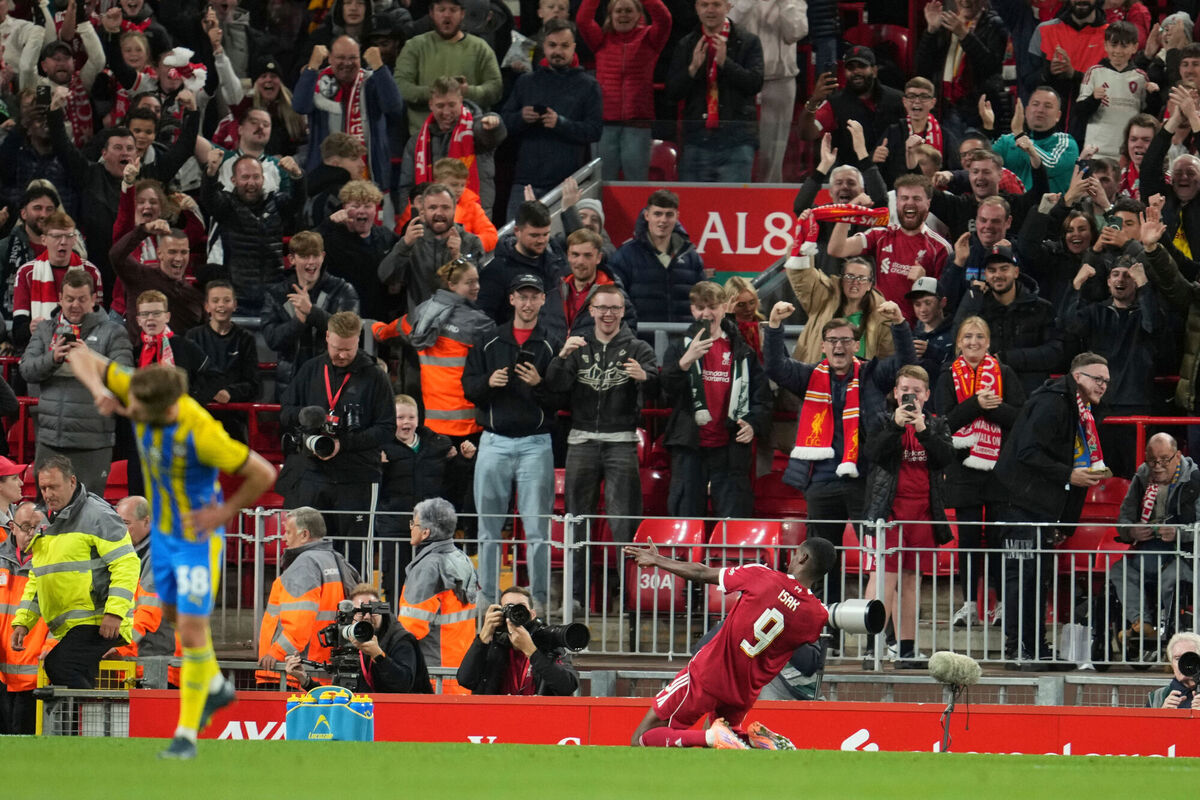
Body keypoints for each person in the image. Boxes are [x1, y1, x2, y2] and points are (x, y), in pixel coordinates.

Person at [68, 347, 276, 759]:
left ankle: (186, 735)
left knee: (193, 631)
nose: (133, 409)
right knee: (176, 616)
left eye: (139, 408)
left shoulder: (200, 431)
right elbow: (80, 354)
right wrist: (99, 390)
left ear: (165, 408)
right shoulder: (143, 388)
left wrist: (224, 512)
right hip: (163, 536)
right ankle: (215, 684)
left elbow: (263, 472)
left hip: (197, 541)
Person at [763, 300, 914, 604]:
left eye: (846, 340)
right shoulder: (809, 377)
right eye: (832, 341)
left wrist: (900, 324)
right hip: (820, 482)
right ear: (823, 347)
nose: (839, 346)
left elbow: (905, 364)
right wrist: (775, 327)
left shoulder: (871, 374)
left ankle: (881, 635)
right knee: (822, 562)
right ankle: (826, 627)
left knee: (875, 559)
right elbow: (775, 367)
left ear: (856, 345)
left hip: (864, 480)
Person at [625, 537, 836, 749]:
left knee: (643, 736)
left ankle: (710, 737)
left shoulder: (762, 575)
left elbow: (701, 573)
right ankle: (751, 740)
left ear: (804, 557)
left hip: (709, 674)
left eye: (796, 553)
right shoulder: (816, 615)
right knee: (727, 742)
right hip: (744, 691)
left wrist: (657, 560)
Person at [991, 352, 1111, 667]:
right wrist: (1068, 475)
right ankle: (1019, 649)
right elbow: (1028, 451)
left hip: (1040, 507)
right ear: (1078, 377)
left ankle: (1035, 646)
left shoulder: (1077, 408)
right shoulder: (1052, 403)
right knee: (1023, 576)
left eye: (1107, 382)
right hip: (1019, 504)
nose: (1103, 386)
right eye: (1098, 379)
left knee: (1038, 576)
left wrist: (1062, 522)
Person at [461, 273, 562, 610]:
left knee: (537, 534)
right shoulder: (488, 342)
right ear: (512, 299)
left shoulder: (551, 343)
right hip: (494, 441)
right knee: (487, 531)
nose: (529, 302)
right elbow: (469, 389)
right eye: (523, 296)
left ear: (543, 300)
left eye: (534, 296)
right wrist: (489, 381)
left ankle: (540, 603)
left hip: (536, 443)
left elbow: (562, 398)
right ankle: (486, 601)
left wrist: (538, 384)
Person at [374, 257, 492, 530]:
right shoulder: (479, 323)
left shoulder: (422, 313)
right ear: (451, 284)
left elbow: (392, 329)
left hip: (433, 424)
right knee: (468, 494)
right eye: (469, 282)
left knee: (437, 494)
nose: (476, 287)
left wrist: (377, 330)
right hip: (468, 424)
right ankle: (468, 550)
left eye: (477, 280)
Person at [10, 457, 139, 690]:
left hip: (98, 620)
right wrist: (24, 622)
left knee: (60, 666)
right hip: (72, 625)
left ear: (72, 481)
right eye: (43, 488)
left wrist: (115, 613)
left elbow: (127, 563)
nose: (47, 494)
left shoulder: (98, 515)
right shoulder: (45, 519)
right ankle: (81, 724)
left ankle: (84, 720)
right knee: (67, 671)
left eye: (54, 487)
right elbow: (39, 576)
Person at [546, 284, 658, 551]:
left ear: (623, 311)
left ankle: (623, 590)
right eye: (603, 308)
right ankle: (576, 590)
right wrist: (560, 357)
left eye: (615, 308)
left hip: (622, 442)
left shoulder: (639, 348)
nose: (608, 314)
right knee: (576, 520)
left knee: (624, 521)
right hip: (581, 442)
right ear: (592, 310)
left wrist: (647, 378)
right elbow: (554, 389)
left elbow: (660, 392)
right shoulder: (576, 348)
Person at [278, 311, 395, 557]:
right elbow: (284, 412)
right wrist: (304, 416)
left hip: (356, 477)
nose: (342, 355)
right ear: (327, 337)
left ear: (358, 340)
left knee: (354, 554)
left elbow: (386, 428)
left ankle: (353, 597)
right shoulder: (310, 369)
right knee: (303, 551)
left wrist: (344, 443)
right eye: (337, 348)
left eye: (349, 350)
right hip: (310, 474)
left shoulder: (375, 376)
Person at [863, 365, 955, 669]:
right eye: (905, 390)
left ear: (927, 395)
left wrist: (923, 431)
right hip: (889, 512)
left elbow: (945, 459)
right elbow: (873, 454)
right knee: (884, 581)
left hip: (924, 515)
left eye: (916, 391)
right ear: (895, 393)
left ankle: (906, 649)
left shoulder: (938, 424)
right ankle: (871, 648)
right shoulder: (881, 420)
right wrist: (895, 427)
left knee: (912, 581)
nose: (910, 395)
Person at [936, 316, 1025, 629]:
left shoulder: (1005, 374)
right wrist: (976, 403)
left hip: (1000, 470)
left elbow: (1019, 418)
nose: (973, 342)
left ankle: (1001, 605)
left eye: (980, 337)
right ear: (959, 342)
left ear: (989, 343)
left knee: (1000, 539)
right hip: (962, 469)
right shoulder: (948, 376)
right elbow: (945, 424)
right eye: (968, 337)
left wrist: (991, 408)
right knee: (970, 540)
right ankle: (970, 606)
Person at [660, 280, 770, 518]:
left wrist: (753, 424)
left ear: (723, 308)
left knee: (734, 519)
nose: (706, 313)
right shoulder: (679, 349)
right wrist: (684, 363)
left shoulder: (743, 351)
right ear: (692, 310)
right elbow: (665, 394)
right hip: (690, 445)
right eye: (700, 307)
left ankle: (730, 558)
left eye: (712, 306)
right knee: (685, 517)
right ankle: (680, 557)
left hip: (730, 446)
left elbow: (762, 398)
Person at [19, 269, 132, 492]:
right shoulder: (45, 330)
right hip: (50, 439)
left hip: (93, 442)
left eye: (82, 299)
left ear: (93, 299)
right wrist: (52, 358)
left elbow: (125, 375)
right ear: (60, 299)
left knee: (88, 510)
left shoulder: (114, 332)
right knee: (48, 509)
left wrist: (91, 359)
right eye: (69, 299)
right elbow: (26, 369)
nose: (75, 305)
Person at [1062, 252, 1160, 478]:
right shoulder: (1096, 312)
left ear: (1136, 282)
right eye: (1115, 274)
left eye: (1127, 275)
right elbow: (1068, 326)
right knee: (1099, 473)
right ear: (1107, 282)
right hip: (1098, 406)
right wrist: (1075, 285)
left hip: (1136, 405)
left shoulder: (1145, 314)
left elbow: (1153, 326)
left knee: (1135, 476)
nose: (1120, 280)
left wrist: (1145, 287)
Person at [499, 17, 603, 218]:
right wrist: (521, 117)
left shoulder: (588, 85)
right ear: (543, 46)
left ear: (574, 47)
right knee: (513, 244)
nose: (558, 51)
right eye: (552, 45)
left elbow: (594, 131)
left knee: (566, 245)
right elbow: (505, 123)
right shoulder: (526, 82)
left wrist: (560, 123)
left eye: (564, 46)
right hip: (525, 180)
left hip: (566, 184)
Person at [1107, 434, 1196, 658]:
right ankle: (1141, 624)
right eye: (1152, 460)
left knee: (1171, 578)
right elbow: (1123, 519)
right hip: (1147, 550)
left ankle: (1173, 637)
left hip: (1183, 554)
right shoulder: (1142, 476)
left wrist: (1179, 533)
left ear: (1178, 456)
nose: (1157, 466)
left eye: (1164, 460)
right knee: (1119, 571)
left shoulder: (1195, 478)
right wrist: (1131, 530)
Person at [256, 507, 362, 687]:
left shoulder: (304, 565)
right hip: (326, 672)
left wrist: (276, 653)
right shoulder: (338, 560)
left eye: (288, 532)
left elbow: (298, 623)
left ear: (304, 534)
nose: (284, 538)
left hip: (290, 673)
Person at [828, 174, 952, 322]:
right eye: (904, 198)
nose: (909, 203)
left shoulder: (940, 248)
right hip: (878, 329)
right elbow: (836, 249)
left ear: (928, 203)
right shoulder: (879, 235)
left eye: (917, 198)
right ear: (897, 203)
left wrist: (925, 284)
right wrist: (850, 209)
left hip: (912, 335)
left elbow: (946, 302)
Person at [665, 0, 764, 183]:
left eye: (716, 4)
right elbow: (672, 92)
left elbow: (754, 84)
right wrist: (692, 69)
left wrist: (726, 63)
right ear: (696, 8)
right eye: (704, 4)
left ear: (728, 7)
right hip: (696, 141)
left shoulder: (748, 41)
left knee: (734, 207)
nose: (710, 10)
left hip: (737, 141)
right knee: (694, 207)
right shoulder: (686, 44)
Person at [293, 37, 406, 194]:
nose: (347, 63)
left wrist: (379, 67)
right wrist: (312, 67)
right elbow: (299, 106)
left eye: (353, 58)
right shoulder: (319, 82)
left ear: (361, 59)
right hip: (326, 177)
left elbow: (394, 107)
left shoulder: (372, 81)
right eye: (340, 57)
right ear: (330, 58)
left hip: (371, 175)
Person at [576, 0, 671, 182]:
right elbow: (583, 20)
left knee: (636, 183)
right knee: (603, 183)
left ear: (639, 15)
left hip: (637, 125)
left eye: (629, 10)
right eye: (618, 11)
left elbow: (664, 19)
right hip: (604, 124)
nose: (623, 15)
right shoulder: (600, 39)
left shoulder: (650, 38)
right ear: (610, 15)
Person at [201, 152, 307, 314]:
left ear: (263, 179)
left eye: (256, 177)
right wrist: (211, 174)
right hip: (239, 299)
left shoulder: (277, 204)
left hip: (274, 297)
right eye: (245, 177)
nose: (251, 183)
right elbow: (208, 198)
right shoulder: (226, 207)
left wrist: (297, 176)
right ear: (233, 181)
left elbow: (298, 200)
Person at [953, 244, 1065, 397]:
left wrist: (1007, 358)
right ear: (985, 275)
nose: (997, 275)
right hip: (990, 395)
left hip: (1031, 396)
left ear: (1016, 272)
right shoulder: (978, 308)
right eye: (991, 270)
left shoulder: (1041, 308)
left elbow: (1054, 353)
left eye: (1004, 268)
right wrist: (972, 297)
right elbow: (958, 344)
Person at [260, 231, 360, 400]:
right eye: (305, 256)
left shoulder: (342, 290)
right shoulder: (276, 294)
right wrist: (298, 321)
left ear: (323, 256)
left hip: (333, 380)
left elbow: (349, 331)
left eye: (315, 255)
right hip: (290, 385)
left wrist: (311, 312)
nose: (311, 262)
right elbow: (273, 339)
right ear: (292, 259)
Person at [282, 583, 433, 694]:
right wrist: (305, 681)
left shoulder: (400, 639)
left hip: (402, 715)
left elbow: (403, 686)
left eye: (372, 610)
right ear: (351, 615)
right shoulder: (348, 642)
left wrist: (378, 656)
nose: (366, 617)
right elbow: (340, 698)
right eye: (360, 612)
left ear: (382, 611)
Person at [376, 395, 455, 602]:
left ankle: (425, 631)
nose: (406, 422)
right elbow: (372, 491)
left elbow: (453, 482)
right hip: (395, 528)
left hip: (430, 529)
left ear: (419, 419)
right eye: (400, 417)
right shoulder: (380, 448)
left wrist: (462, 461)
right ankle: (395, 629)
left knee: (431, 584)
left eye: (411, 417)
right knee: (395, 584)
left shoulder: (438, 445)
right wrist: (379, 467)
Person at [397, 497, 480, 694]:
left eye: (414, 523)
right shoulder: (462, 559)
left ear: (425, 532)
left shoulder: (427, 568)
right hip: (461, 673)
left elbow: (411, 628)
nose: (411, 528)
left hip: (434, 676)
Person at [397, 75, 505, 217]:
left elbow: (492, 135)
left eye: (452, 105)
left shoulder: (476, 129)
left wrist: (494, 123)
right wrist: (411, 218)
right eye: (440, 106)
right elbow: (407, 187)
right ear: (431, 104)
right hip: (431, 221)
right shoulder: (416, 142)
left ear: (461, 101)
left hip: (474, 220)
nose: (446, 112)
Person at [394, 0, 503, 135]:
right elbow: (400, 87)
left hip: (469, 135)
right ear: (431, 13)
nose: (447, 15)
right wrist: (436, 94)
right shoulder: (414, 46)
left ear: (462, 13)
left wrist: (467, 92)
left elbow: (495, 88)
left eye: (453, 10)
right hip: (425, 137)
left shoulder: (480, 48)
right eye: (441, 10)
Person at [379, 183, 484, 319]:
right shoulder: (412, 241)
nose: (439, 213)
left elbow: (476, 288)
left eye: (445, 207)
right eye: (433, 207)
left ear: (454, 209)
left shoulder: (471, 242)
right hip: (418, 327)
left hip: (457, 327)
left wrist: (458, 257)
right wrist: (404, 245)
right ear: (423, 211)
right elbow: (386, 277)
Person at [791, 129, 888, 277]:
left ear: (862, 189)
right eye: (839, 183)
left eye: (851, 183)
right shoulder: (826, 215)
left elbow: (881, 200)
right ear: (830, 191)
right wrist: (823, 165)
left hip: (862, 288)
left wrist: (862, 153)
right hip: (830, 289)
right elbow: (800, 207)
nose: (844, 187)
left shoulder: (870, 216)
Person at [726, 0, 804, 183]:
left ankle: (768, 198)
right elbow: (727, 25)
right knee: (737, 150)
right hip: (740, 77)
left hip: (780, 79)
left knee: (773, 154)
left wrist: (785, 3)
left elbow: (796, 33)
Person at [915, 0, 1009, 142]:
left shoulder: (994, 24)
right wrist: (931, 30)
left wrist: (964, 35)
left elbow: (991, 66)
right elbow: (922, 68)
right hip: (946, 107)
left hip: (977, 110)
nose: (965, 1)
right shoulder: (946, 23)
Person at [456, 585, 579, 695]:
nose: (515, 613)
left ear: (532, 614)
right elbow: (465, 680)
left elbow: (567, 686)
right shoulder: (491, 643)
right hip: (496, 715)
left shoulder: (548, 643)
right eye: (509, 608)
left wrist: (531, 651)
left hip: (537, 716)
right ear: (500, 613)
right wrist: (483, 637)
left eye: (521, 607)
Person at [609, 189, 705, 324]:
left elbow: (705, 303)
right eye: (657, 214)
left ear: (677, 216)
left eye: (669, 215)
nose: (663, 220)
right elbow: (614, 302)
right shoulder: (625, 256)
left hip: (684, 340)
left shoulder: (691, 257)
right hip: (641, 341)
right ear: (647, 215)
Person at [12, 209, 103, 351]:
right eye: (56, 236)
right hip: (38, 351)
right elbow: (17, 332)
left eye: (69, 236)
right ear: (44, 240)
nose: (63, 242)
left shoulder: (91, 272)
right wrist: (30, 328)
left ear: (75, 240)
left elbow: (100, 323)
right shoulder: (25, 273)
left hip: (83, 348)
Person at [799, 45, 904, 169]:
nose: (856, 72)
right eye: (851, 67)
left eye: (862, 66)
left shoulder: (897, 99)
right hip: (851, 177)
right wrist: (813, 101)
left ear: (874, 71)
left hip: (893, 176)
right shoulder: (835, 104)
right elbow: (807, 134)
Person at [475, 200, 567, 333]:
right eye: (534, 235)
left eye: (545, 234)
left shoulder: (556, 264)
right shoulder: (496, 271)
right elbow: (483, 319)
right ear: (517, 231)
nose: (541, 240)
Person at [315, 180, 398, 322]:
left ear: (375, 209)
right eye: (355, 206)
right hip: (342, 314)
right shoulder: (330, 236)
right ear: (343, 207)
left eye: (368, 206)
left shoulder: (386, 236)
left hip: (378, 314)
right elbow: (303, 245)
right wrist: (327, 224)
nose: (362, 211)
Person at [110, 218, 206, 342]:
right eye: (172, 252)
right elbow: (116, 255)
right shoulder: (140, 276)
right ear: (159, 253)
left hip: (179, 359)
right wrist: (144, 230)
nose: (178, 258)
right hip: (139, 357)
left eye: (184, 252)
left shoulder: (195, 293)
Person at [0, 501, 47, 735]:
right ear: (13, 527)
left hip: (37, 673)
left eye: (37, 527)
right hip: (2, 672)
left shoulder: (53, 563)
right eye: (26, 526)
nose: (31, 534)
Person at [1072, 22, 1149, 160]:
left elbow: (1147, 115)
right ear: (1105, 45)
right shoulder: (1094, 72)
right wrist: (1093, 99)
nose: (1118, 51)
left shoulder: (1141, 77)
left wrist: (1153, 96)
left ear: (1135, 47)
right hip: (1096, 152)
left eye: (1124, 46)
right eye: (1114, 45)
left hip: (1127, 154)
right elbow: (1079, 112)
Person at [111, 495, 174, 661]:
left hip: (154, 657)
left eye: (126, 523)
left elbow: (148, 610)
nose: (120, 531)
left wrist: (120, 646)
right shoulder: (131, 553)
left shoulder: (157, 557)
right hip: (142, 653)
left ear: (147, 521)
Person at [185, 280, 260, 411]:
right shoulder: (193, 336)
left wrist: (230, 393)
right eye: (215, 300)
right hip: (199, 412)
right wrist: (210, 393)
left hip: (234, 414)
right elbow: (186, 380)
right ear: (207, 306)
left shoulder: (245, 338)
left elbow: (253, 384)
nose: (221, 305)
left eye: (226, 300)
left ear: (235, 305)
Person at [992, 88, 1079, 194]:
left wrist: (1020, 135)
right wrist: (987, 129)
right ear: (1027, 110)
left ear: (1058, 116)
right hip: (1011, 207)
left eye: (1048, 106)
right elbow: (983, 164)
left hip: (1049, 208)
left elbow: (1049, 166)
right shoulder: (1007, 141)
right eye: (1035, 104)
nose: (1040, 110)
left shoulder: (1067, 143)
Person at [908, 278, 954, 392]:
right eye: (917, 304)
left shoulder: (956, 332)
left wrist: (932, 352)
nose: (922, 309)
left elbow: (958, 371)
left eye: (928, 303)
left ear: (943, 302)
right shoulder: (912, 333)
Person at [1148, 632, 1200, 709]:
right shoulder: (1158, 697)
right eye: (1177, 658)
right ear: (1171, 663)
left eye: (1189, 657)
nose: (1183, 663)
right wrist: (1162, 715)